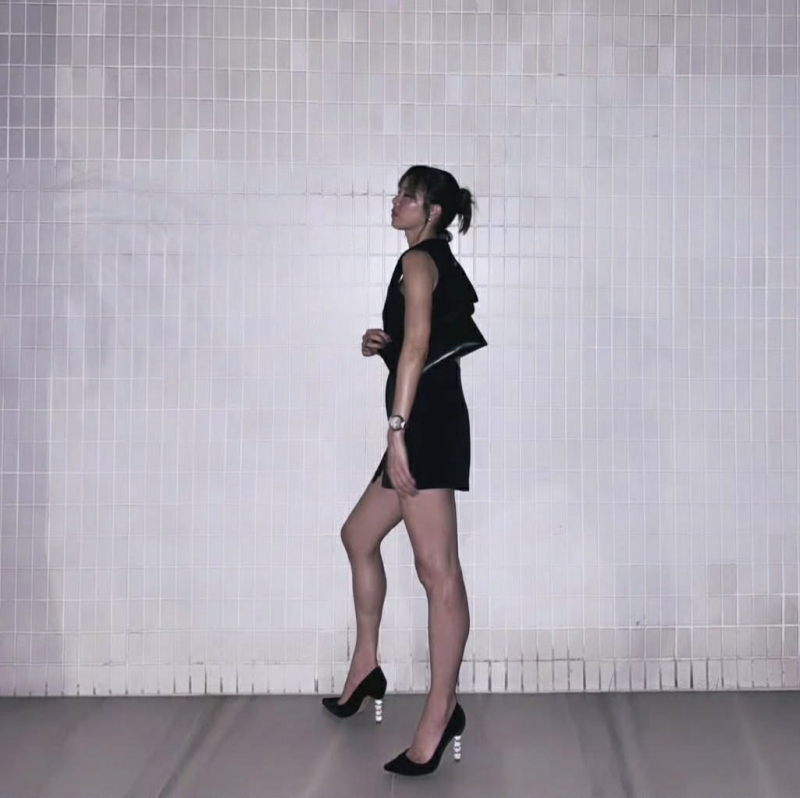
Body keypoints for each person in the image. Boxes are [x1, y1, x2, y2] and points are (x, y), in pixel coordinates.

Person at [322, 165, 482, 777]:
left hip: (423, 427)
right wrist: (383, 345)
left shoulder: (419, 261)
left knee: (437, 572)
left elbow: (419, 349)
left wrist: (396, 432)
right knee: (358, 536)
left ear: (431, 211)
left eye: (406, 197)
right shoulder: (423, 260)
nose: (394, 202)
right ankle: (367, 666)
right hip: (421, 419)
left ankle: (442, 712)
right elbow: (418, 343)